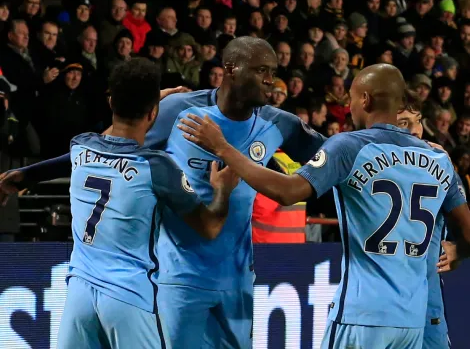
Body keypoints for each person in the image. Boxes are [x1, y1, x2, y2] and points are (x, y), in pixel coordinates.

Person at [0, 37, 327, 348]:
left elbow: (335, 158)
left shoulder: (280, 124)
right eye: (262, 71)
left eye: (274, 73)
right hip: (176, 277)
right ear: (231, 69)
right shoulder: (178, 110)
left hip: (236, 277)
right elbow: (110, 149)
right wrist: (29, 174)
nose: (271, 80)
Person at [178, 63, 470, 348]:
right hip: (412, 319)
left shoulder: (351, 146)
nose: (350, 106)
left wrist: (223, 148)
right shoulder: (439, 160)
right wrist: (458, 252)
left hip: (361, 313)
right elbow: (468, 233)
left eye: (352, 98)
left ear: (365, 99)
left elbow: (288, 191)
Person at [57, 58, 239, 349]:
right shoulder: (155, 166)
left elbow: (109, 141)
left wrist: (153, 100)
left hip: (78, 295)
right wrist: (223, 190)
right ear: (153, 113)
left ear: (111, 102)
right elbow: (209, 226)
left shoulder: (81, 146)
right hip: (128, 298)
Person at [396, 108, 461, 349]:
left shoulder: (438, 159)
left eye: (418, 121)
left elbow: (460, 213)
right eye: (404, 122)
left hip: (426, 292)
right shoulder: (369, 157)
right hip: (382, 293)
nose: (414, 129)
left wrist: (459, 245)